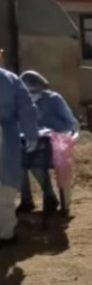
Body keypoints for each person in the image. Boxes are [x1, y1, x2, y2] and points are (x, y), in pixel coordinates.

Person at [18, 71, 78, 215]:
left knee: (36, 163)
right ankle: (26, 200)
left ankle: (50, 197)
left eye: (34, 91)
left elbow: (70, 124)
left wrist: (50, 127)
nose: (32, 94)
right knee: (17, 163)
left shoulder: (54, 99)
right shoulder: (22, 101)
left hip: (53, 145)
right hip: (29, 141)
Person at [0, 67, 38, 246]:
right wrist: (31, 134)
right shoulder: (9, 78)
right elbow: (26, 107)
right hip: (4, 136)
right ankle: (6, 233)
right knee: (5, 187)